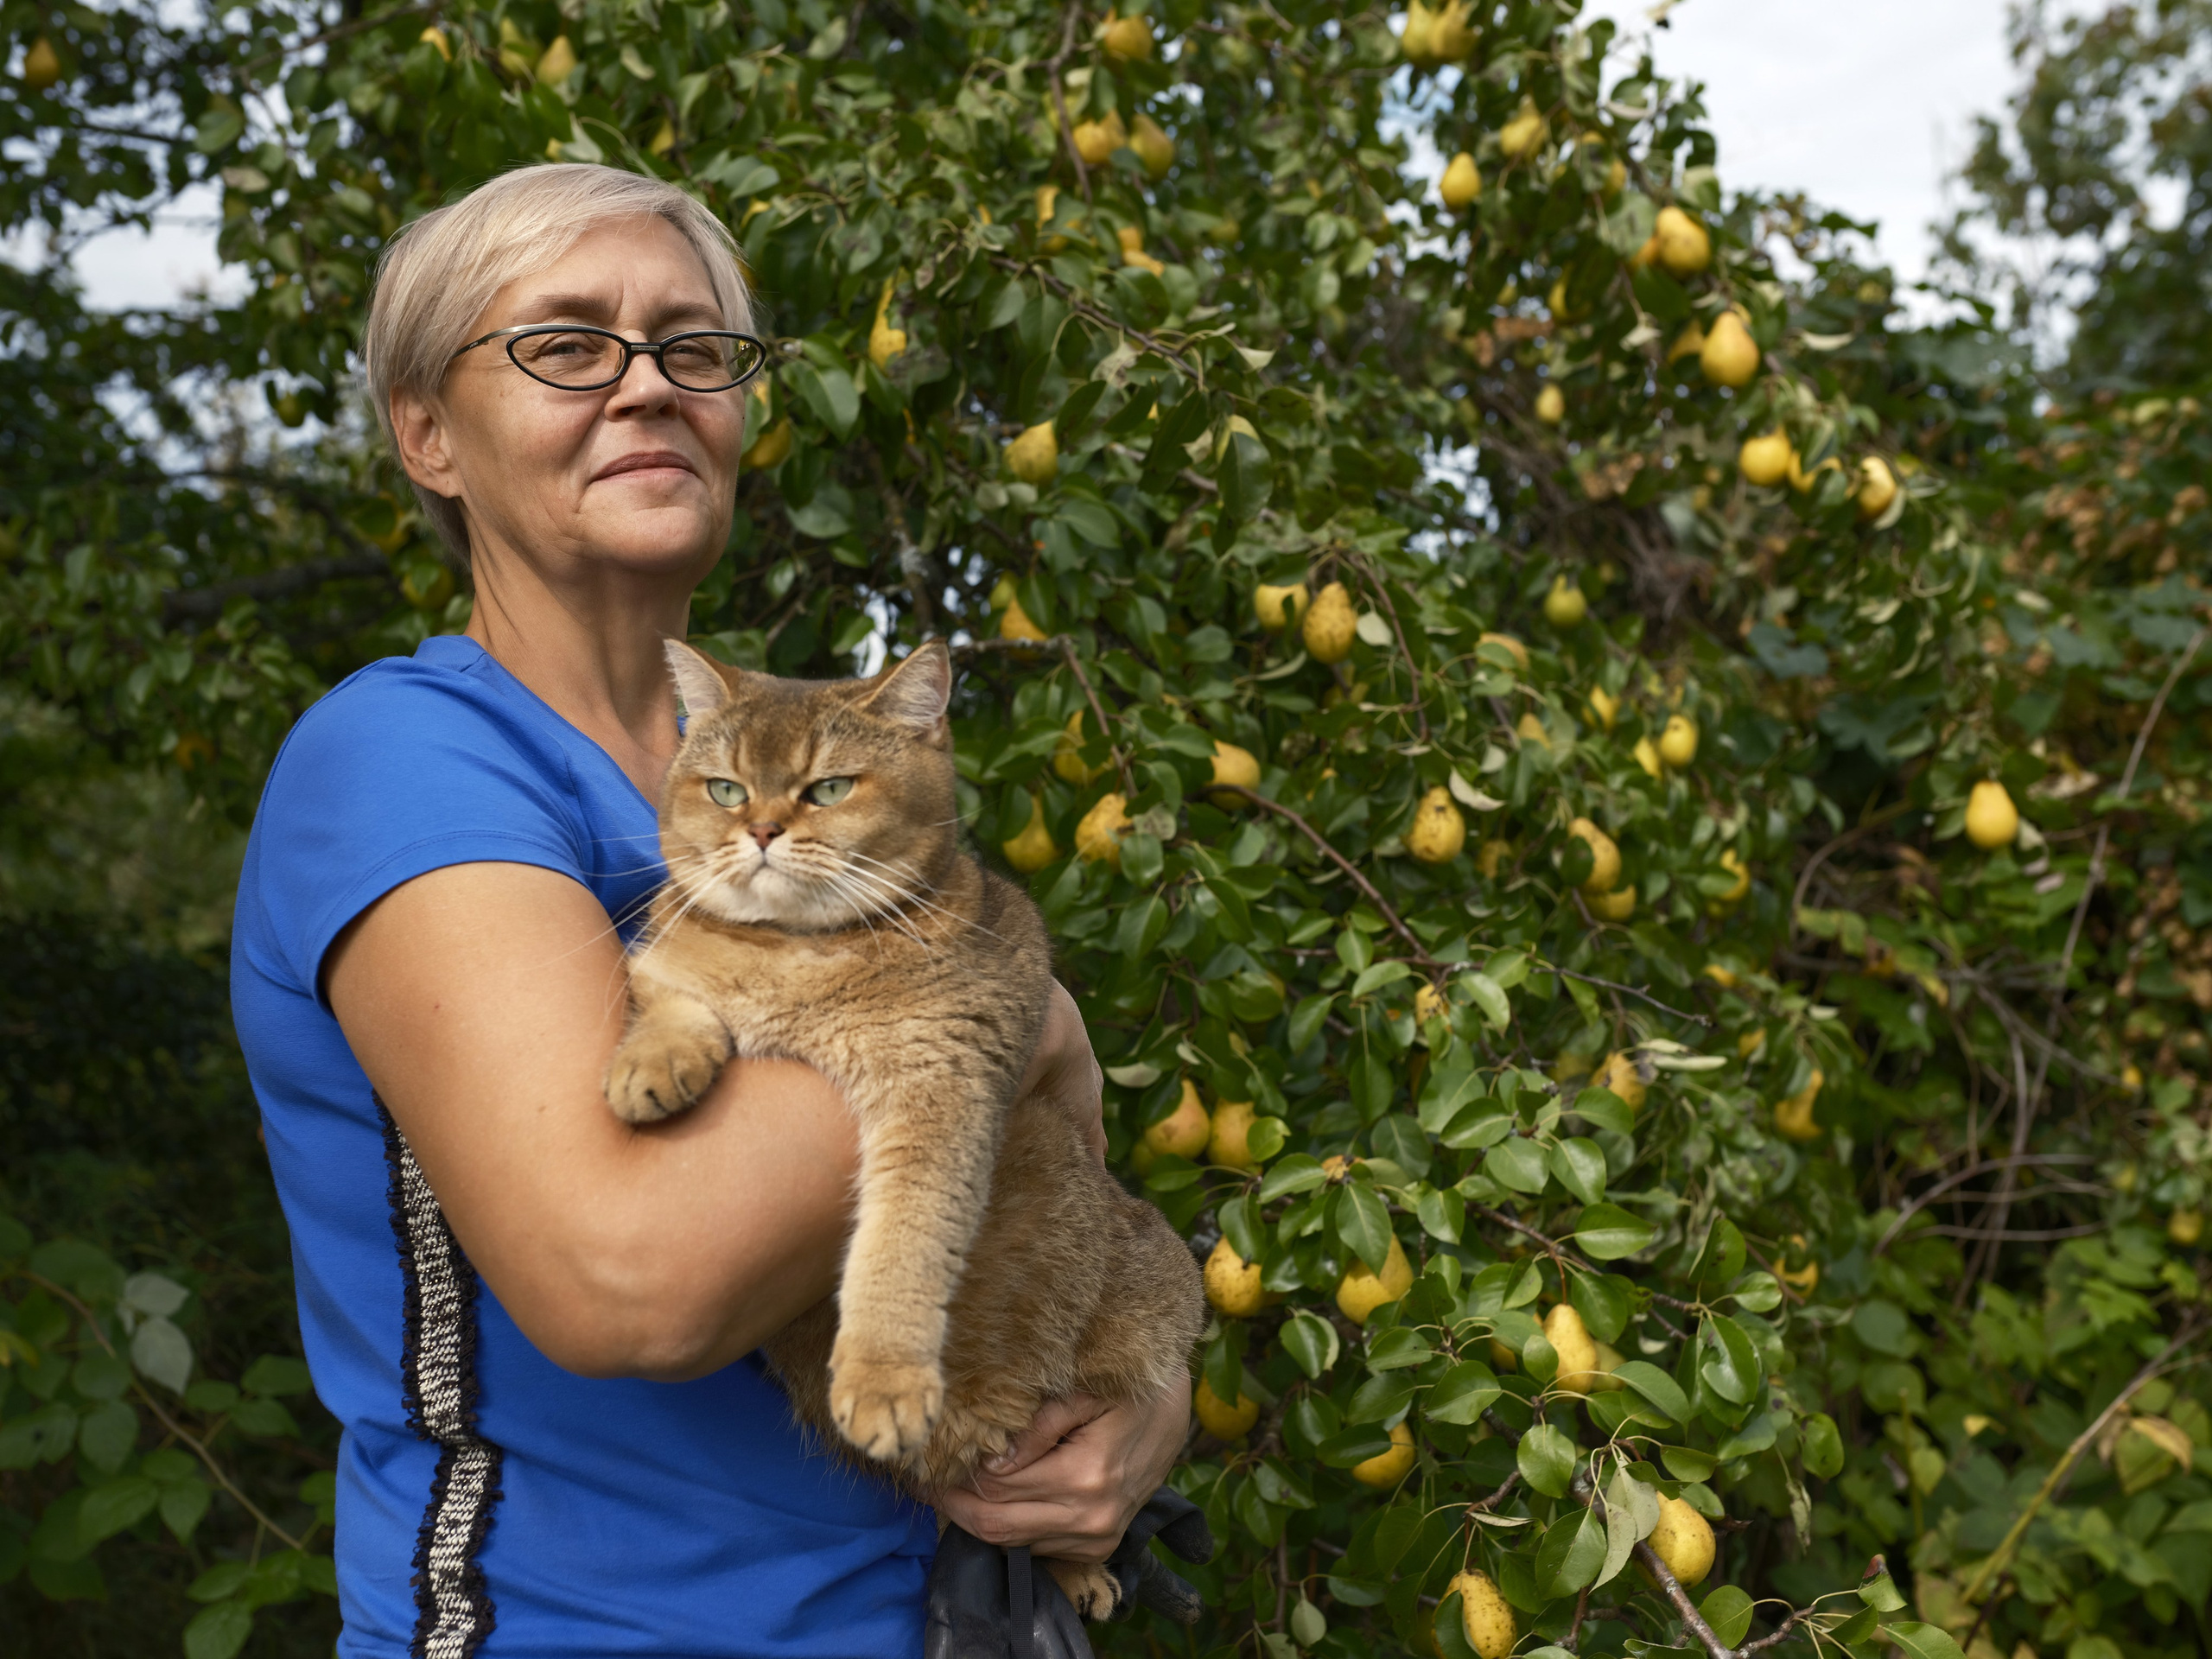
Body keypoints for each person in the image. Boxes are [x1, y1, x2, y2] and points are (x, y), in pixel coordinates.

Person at [229, 162, 1188, 1658]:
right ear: (428, 433)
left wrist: (1140, 1401)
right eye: (565, 346)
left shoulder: (760, 760)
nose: (648, 388)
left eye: (696, 350)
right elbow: (634, 1281)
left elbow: (1052, 1193)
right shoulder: (410, 761)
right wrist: (1024, 1024)